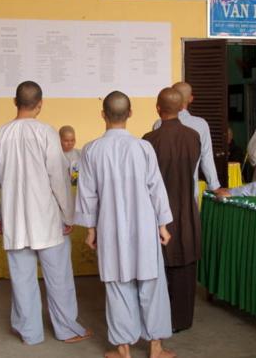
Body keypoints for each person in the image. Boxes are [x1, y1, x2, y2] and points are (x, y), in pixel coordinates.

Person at [0, 81, 90, 346]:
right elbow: (59, 179)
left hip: (15, 219)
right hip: (47, 219)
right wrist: (68, 216)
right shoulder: (46, 133)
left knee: (22, 279)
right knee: (59, 277)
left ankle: (30, 332)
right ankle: (66, 329)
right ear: (40, 104)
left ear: (14, 101)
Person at [76, 90, 176, 358]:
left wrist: (90, 229)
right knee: (151, 284)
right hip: (144, 226)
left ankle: (123, 350)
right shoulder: (143, 148)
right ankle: (156, 348)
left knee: (117, 286)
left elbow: (87, 194)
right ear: (130, 113)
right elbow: (156, 188)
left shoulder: (92, 150)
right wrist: (163, 225)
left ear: (103, 115)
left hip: (110, 228)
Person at [143, 88, 201, 333]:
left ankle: (160, 318)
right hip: (186, 209)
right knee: (185, 264)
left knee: (158, 265)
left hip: (158, 211)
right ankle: (182, 320)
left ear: (158, 108)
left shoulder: (149, 140)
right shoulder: (193, 137)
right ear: (181, 107)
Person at [154, 81, 220, 193]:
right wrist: (214, 186)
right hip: (190, 189)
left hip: (163, 189)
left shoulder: (159, 124)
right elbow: (206, 157)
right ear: (190, 99)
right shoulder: (200, 124)